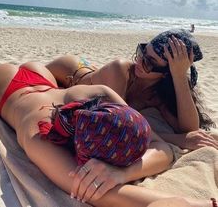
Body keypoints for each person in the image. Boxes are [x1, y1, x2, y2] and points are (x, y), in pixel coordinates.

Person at [0, 61, 215, 207]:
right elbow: (95, 193)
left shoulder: (101, 94)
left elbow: (161, 146)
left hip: (45, 80)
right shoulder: (37, 134)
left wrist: (123, 173)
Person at [46, 29, 217, 151]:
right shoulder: (120, 69)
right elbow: (118, 124)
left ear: (166, 74)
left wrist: (180, 77)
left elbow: (189, 129)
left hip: (92, 74)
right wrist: (179, 140)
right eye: (142, 51)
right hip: (69, 70)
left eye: (149, 62)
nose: (139, 61)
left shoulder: (157, 93)